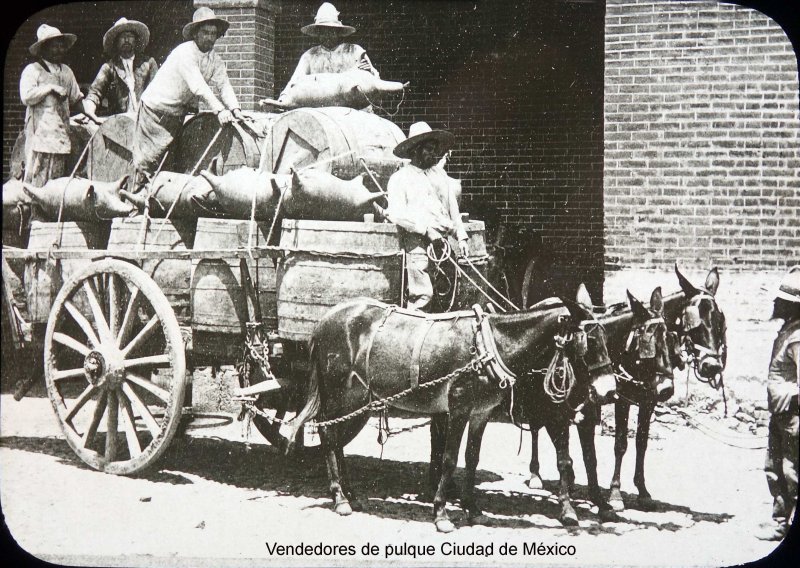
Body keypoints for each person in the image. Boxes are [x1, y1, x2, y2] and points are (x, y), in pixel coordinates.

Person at [132, 7, 243, 188]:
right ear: (195, 34)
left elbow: (224, 85)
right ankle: (135, 207)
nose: (209, 37)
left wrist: (235, 109)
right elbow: (198, 86)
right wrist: (220, 110)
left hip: (176, 114)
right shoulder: (184, 53)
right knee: (147, 163)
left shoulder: (215, 60)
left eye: (213, 34)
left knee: (170, 165)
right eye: (205, 32)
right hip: (154, 112)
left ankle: (160, 206)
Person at [386, 122, 469, 311]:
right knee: (423, 295)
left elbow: (453, 208)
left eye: (435, 150)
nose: (434, 154)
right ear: (415, 151)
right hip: (417, 243)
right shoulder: (400, 179)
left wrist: (461, 236)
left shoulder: (440, 175)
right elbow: (397, 214)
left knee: (447, 292)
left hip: (443, 243)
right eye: (429, 150)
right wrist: (427, 230)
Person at [757, 266, 799, 541]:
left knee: (791, 471)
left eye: (780, 300)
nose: (775, 303)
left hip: (793, 415)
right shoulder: (787, 331)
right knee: (774, 469)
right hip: (780, 413)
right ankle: (781, 521)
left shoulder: (798, 338)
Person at [19, 24, 89, 186]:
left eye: (61, 46)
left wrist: (93, 117)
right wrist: (49, 88)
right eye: (54, 46)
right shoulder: (33, 70)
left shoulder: (66, 71)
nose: (59, 50)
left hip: (61, 138)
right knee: (37, 182)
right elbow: (26, 96)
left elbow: (76, 100)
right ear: (43, 49)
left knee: (55, 185)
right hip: (41, 139)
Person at [281, 2, 379, 96]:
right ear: (318, 33)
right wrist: (284, 97)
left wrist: (370, 72)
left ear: (338, 32)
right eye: (323, 31)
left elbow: (376, 81)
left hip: (354, 108)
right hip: (321, 108)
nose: (327, 35)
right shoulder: (309, 56)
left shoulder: (355, 52)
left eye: (331, 31)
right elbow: (294, 82)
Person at [84, 18, 158, 121]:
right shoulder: (109, 67)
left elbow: (159, 91)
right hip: (120, 123)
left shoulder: (149, 63)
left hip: (146, 119)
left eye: (130, 36)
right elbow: (95, 93)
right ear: (116, 41)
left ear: (136, 40)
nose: (126, 40)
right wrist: (89, 111)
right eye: (122, 37)